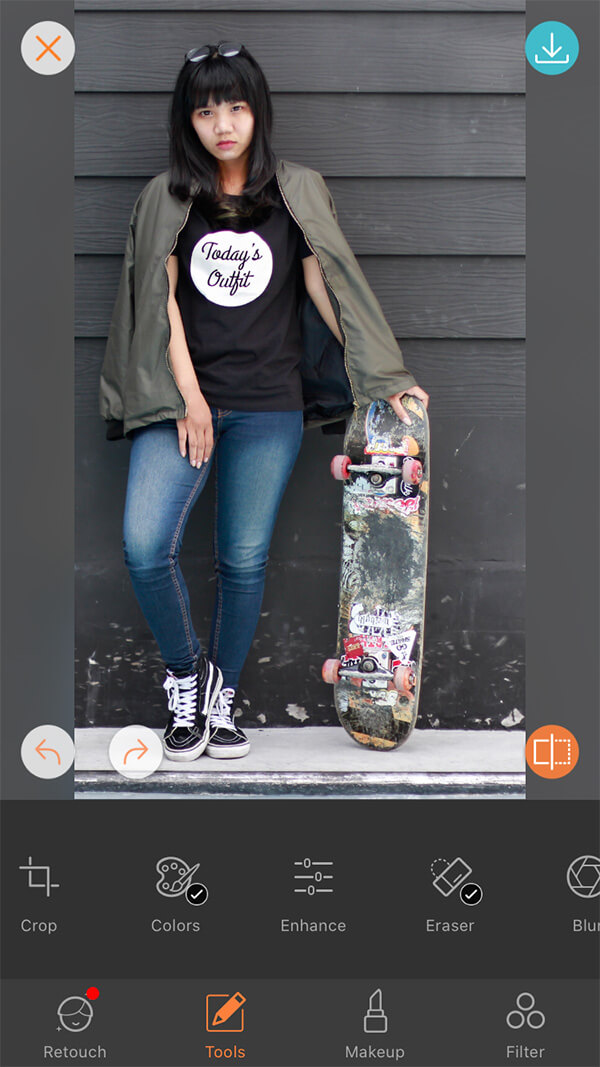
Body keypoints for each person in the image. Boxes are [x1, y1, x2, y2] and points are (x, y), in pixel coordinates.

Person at [100, 42, 429, 763]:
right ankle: (186, 676)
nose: (223, 123)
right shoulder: (169, 197)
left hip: (269, 403)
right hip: (179, 399)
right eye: (206, 108)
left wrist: (382, 372)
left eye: (237, 106)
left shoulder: (295, 191)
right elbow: (160, 308)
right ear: (188, 119)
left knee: (243, 558)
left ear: (259, 112)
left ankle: (220, 698)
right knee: (145, 544)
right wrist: (189, 398)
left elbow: (330, 288)